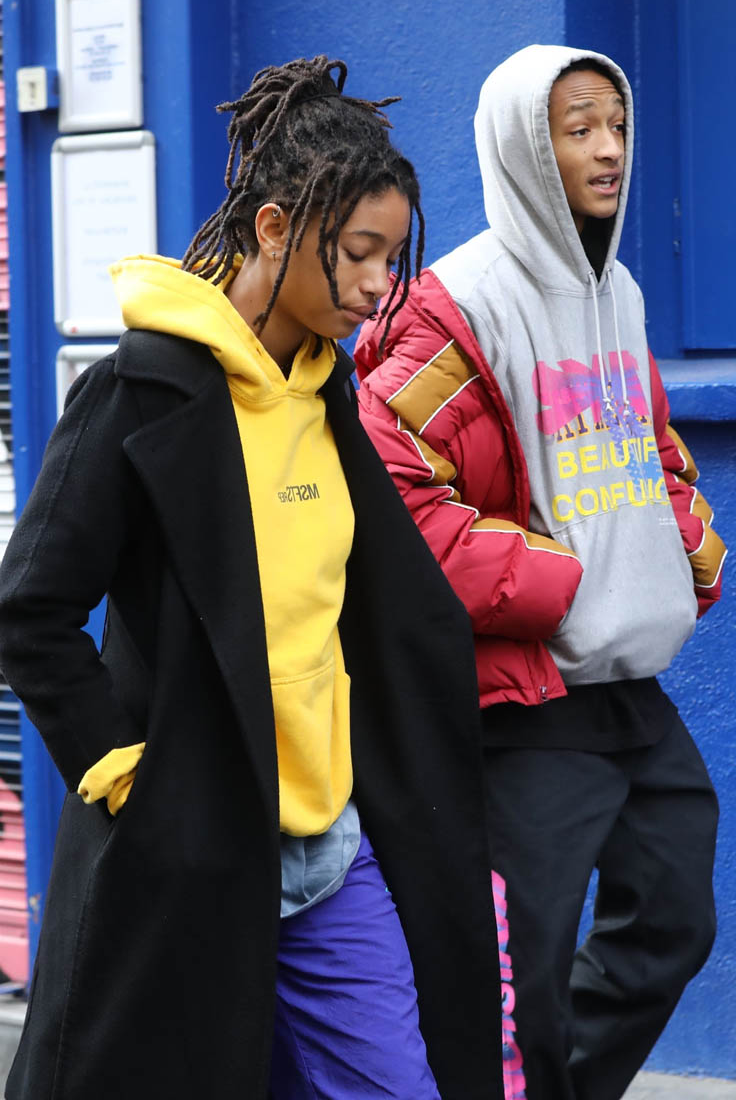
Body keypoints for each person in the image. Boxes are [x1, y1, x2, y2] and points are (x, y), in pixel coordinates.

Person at [0, 56, 503, 1100]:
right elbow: (31, 610)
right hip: (190, 851)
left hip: (331, 849)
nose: (378, 284)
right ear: (274, 228)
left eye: (389, 256)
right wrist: (126, 773)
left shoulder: (328, 397)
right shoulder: (141, 393)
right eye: (357, 253)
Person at [355, 45, 726, 1100]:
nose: (609, 149)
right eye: (578, 129)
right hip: (525, 699)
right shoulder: (453, 305)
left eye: (617, 124)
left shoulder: (620, 293)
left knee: (673, 919)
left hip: (629, 689)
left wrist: (681, 548)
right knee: (525, 983)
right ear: (524, 148)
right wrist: (560, 585)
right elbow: (393, 491)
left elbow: (648, 445)